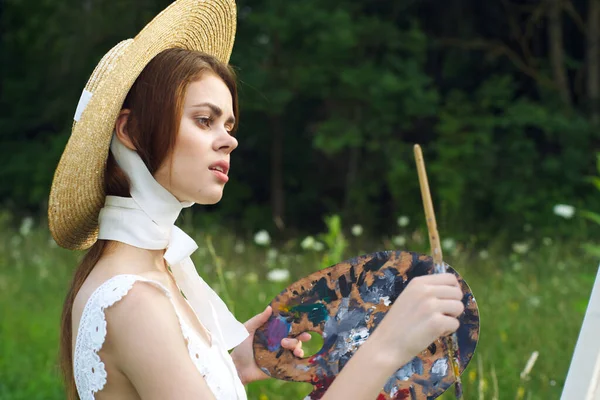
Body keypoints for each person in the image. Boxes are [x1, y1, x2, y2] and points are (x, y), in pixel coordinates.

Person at [48, 0, 465, 399]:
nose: (228, 139)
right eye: (204, 120)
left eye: (228, 125)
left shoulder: (156, 273)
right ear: (130, 131)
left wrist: (233, 365)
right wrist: (386, 348)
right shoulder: (134, 299)